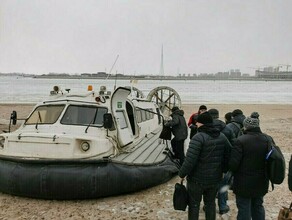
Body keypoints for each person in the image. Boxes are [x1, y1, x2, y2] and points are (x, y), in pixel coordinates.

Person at [179, 112, 232, 220]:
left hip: (196, 180)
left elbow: (190, 160)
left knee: (194, 205)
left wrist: (182, 173)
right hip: (214, 179)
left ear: (202, 123)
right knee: (210, 204)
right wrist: (223, 170)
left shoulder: (198, 138)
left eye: (198, 122)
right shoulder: (221, 136)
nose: (196, 124)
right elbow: (229, 154)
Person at [229, 112, 271, 220]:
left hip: (243, 181)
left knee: (244, 207)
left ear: (245, 126)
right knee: (258, 206)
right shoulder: (267, 139)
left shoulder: (240, 141)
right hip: (261, 180)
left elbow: (233, 164)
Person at [208, 108, 234, 215]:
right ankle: (223, 207)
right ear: (218, 115)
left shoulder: (205, 129)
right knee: (223, 186)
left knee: (209, 186)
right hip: (224, 163)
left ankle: (208, 205)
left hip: (209, 163)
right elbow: (232, 146)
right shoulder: (227, 129)